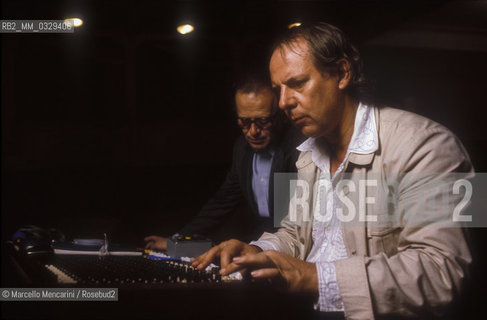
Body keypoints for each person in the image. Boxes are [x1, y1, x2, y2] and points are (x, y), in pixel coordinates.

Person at [192, 22, 474, 319]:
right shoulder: (307, 155)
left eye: (297, 83)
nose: (284, 102)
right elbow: (294, 234)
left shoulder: (432, 145)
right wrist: (257, 251)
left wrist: (314, 277)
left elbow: (446, 273)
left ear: (341, 73)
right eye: (279, 89)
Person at [144, 72, 302, 250]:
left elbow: (296, 226)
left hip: (294, 245)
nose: (253, 131)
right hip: (261, 241)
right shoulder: (241, 149)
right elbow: (222, 202)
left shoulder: (297, 149)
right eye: (244, 122)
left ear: (280, 115)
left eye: (263, 121)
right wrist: (176, 242)